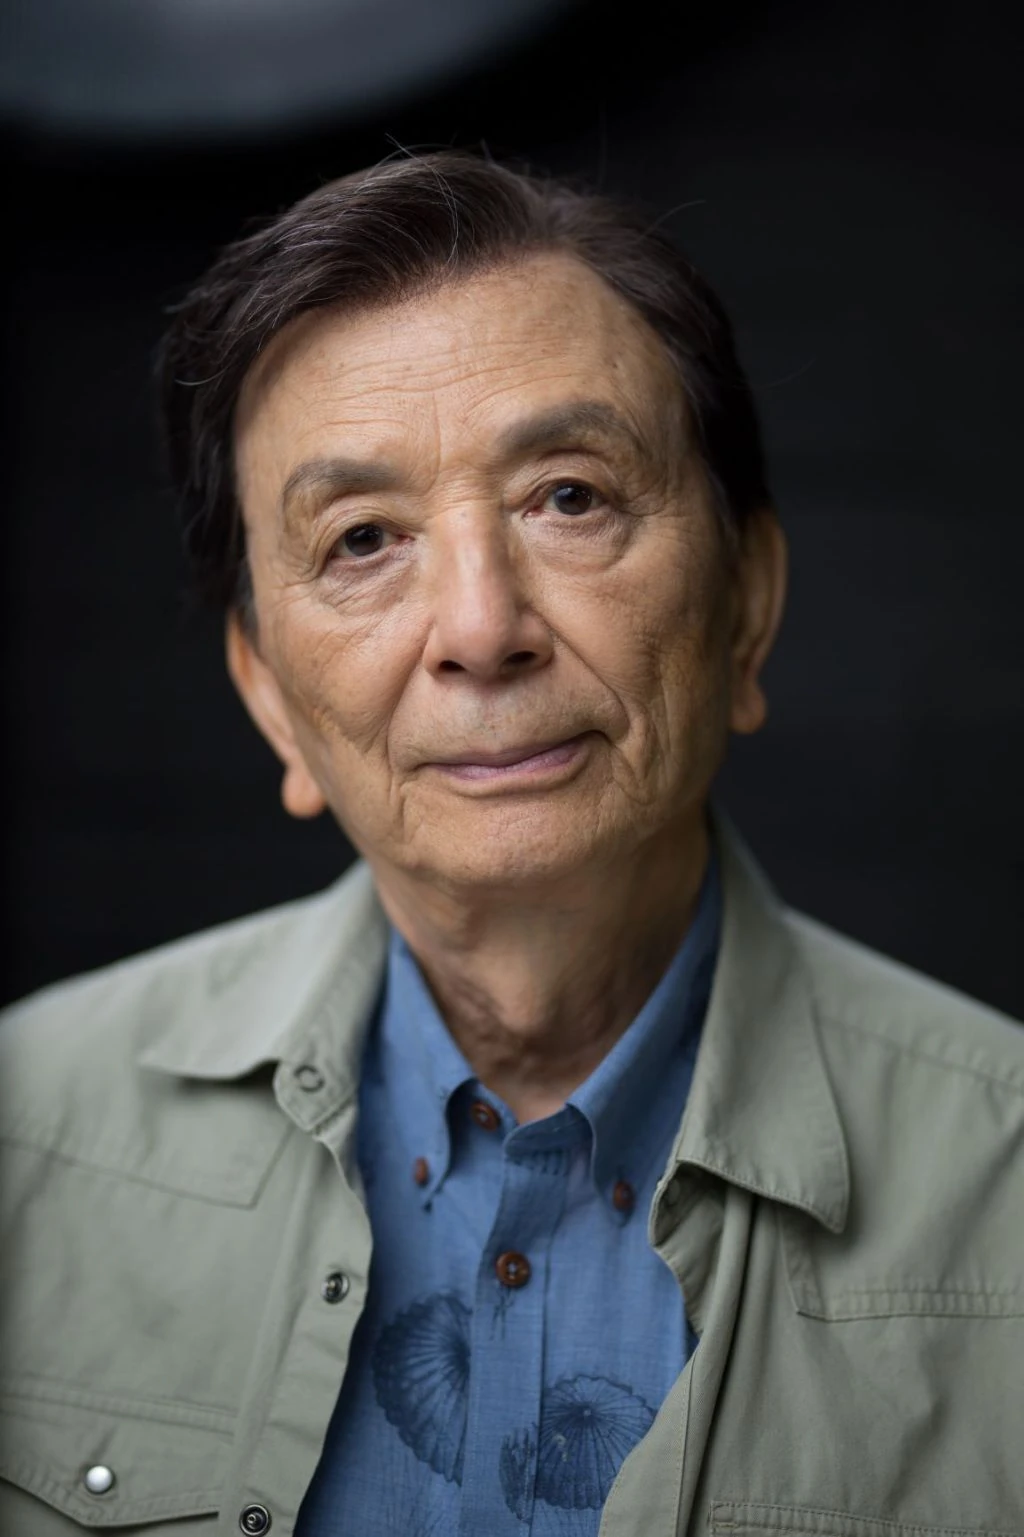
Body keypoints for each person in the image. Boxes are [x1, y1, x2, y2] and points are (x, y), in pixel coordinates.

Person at [0, 151, 1021, 1537]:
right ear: (268, 699)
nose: (482, 630)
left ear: (748, 604)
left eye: (570, 497)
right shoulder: (26, 1137)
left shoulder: (1003, 1186)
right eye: (364, 538)